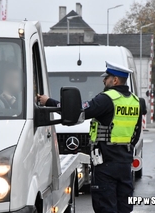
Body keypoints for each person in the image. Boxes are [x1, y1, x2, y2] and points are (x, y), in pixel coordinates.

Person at [38, 61, 143, 213]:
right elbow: (136, 134)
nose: (103, 80)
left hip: (106, 164)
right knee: (124, 207)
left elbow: (76, 112)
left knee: (106, 207)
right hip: (125, 164)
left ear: (115, 80)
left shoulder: (107, 99)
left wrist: (49, 102)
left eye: (106, 77)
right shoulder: (135, 101)